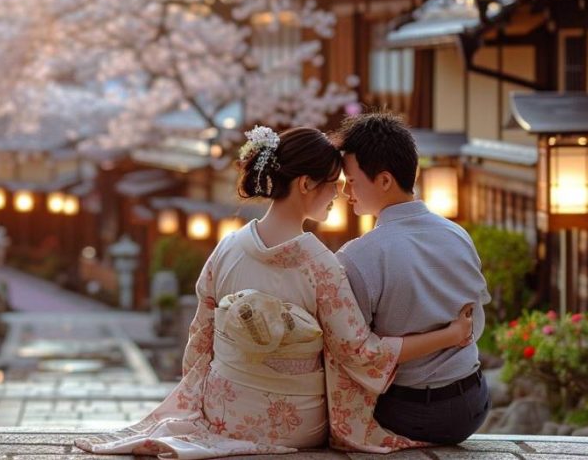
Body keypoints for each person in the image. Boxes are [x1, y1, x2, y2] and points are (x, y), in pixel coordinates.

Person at [76, 126, 473, 459]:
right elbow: (359, 353)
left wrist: (205, 397)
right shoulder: (321, 264)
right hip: (294, 423)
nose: (339, 195)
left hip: (223, 407)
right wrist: (450, 336)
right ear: (305, 184)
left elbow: (200, 338)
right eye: (333, 186)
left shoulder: (227, 247)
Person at [334, 111, 492, 445]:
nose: (346, 191)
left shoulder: (358, 256)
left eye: (351, 180)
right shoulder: (457, 233)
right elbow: (476, 320)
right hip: (475, 402)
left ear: (385, 180)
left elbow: (360, 354)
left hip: (413, 412)